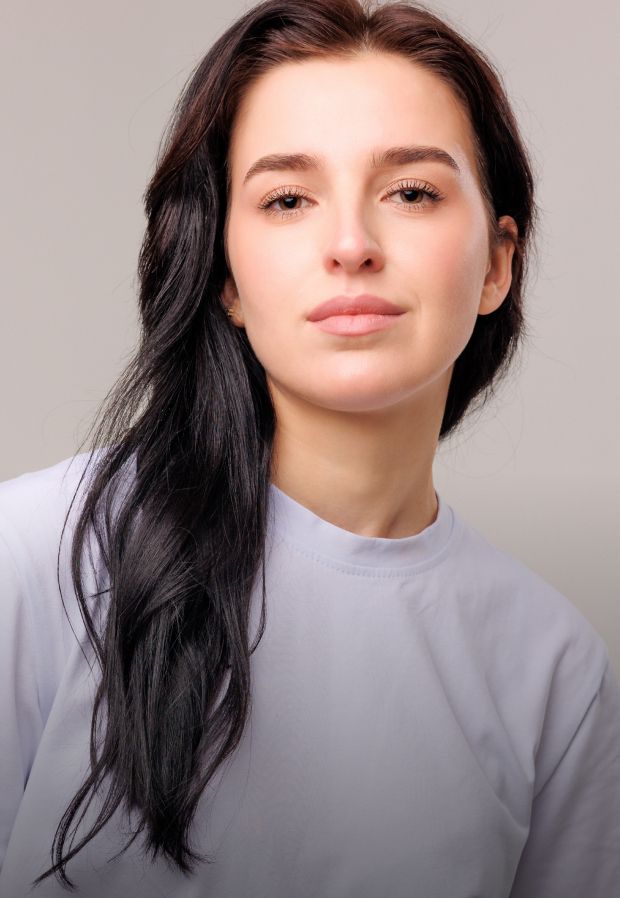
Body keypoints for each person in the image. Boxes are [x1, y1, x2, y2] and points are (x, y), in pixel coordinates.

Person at [1, 0, 618, 895]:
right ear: (227, 278)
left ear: (497, 262)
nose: (351, 246)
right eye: (288, 199)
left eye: (412, 192)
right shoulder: (38, 555)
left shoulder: (553, 676)